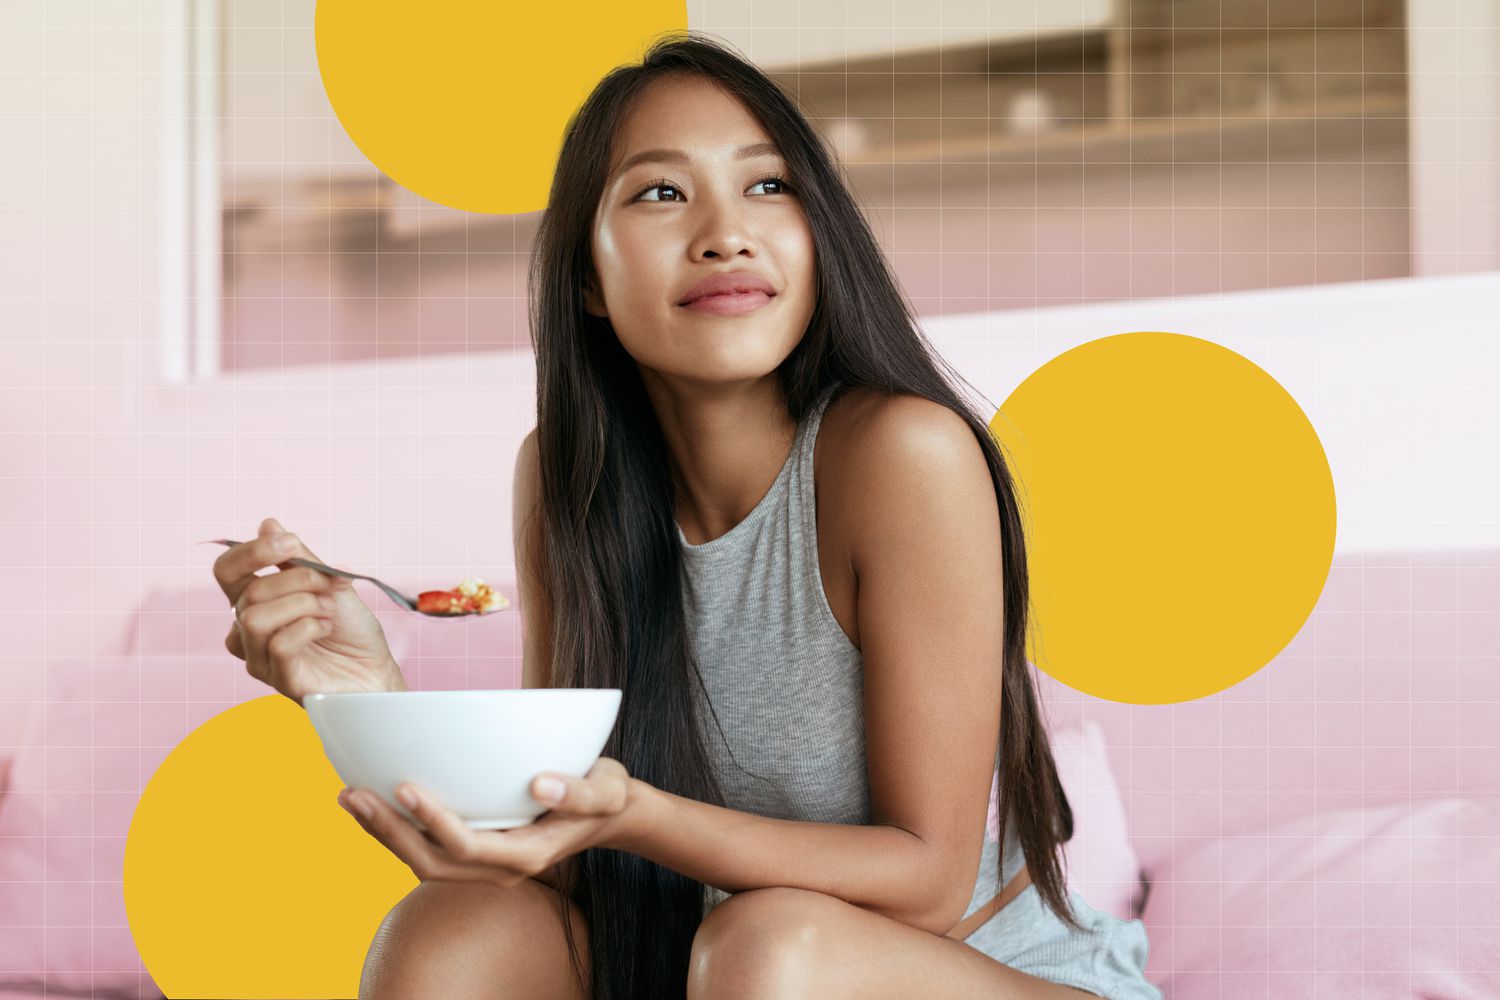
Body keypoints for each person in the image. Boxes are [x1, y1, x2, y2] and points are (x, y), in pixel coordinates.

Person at [211, 31, 1160, 1000]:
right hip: (709, 965)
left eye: (769, 185)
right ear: (587, 277)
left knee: (768, 947)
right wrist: (368, 700)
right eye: (661, 192)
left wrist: (637, 816)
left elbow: (925, 882)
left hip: (974, 968)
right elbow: (562, 851)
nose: (725, 233)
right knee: (452, 932)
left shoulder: (903, 453)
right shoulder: (566, 479)